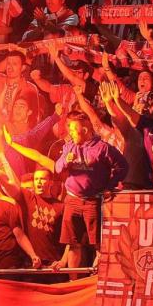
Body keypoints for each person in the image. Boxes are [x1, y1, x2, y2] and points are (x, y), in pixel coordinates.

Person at [53, 112, 128, 273]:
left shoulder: (103, 148)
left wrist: (110, 185)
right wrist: (67, 160)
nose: (70, 132)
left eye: (73, 128)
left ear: (85, 129)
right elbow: (57, 168)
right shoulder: (69, 146)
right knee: (73, 243)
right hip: (72, 200)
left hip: (93, 201)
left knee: (99, 244)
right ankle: (73, 282)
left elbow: (122, 166)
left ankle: (98, 282)